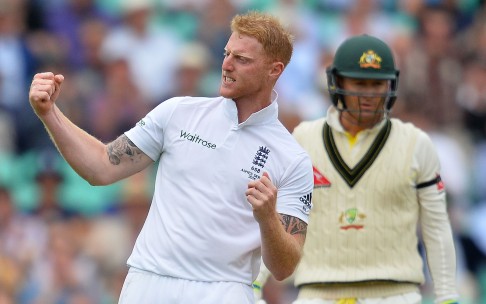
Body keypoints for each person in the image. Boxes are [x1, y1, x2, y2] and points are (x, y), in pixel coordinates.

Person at [28, 11, 314, 304]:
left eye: (242, 59)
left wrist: (268, 219)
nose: (226, 64)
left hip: (223, 291)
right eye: (227, 53)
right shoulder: (178, 112)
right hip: (149, 282)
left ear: (274, 70)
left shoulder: (292, 158)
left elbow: (284, 268)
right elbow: (101, 166)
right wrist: (49, 113)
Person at [256, 34, 460, 304]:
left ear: (391, 86)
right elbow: (277, 218)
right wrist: (256, 283)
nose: (368, 94)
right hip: (318, 292)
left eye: (377, 84)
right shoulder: (304, 139)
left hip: (394, 293)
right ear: (337, 82)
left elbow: (436, 226)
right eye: (359, 82)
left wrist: (447, 296)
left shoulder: (415, 143)